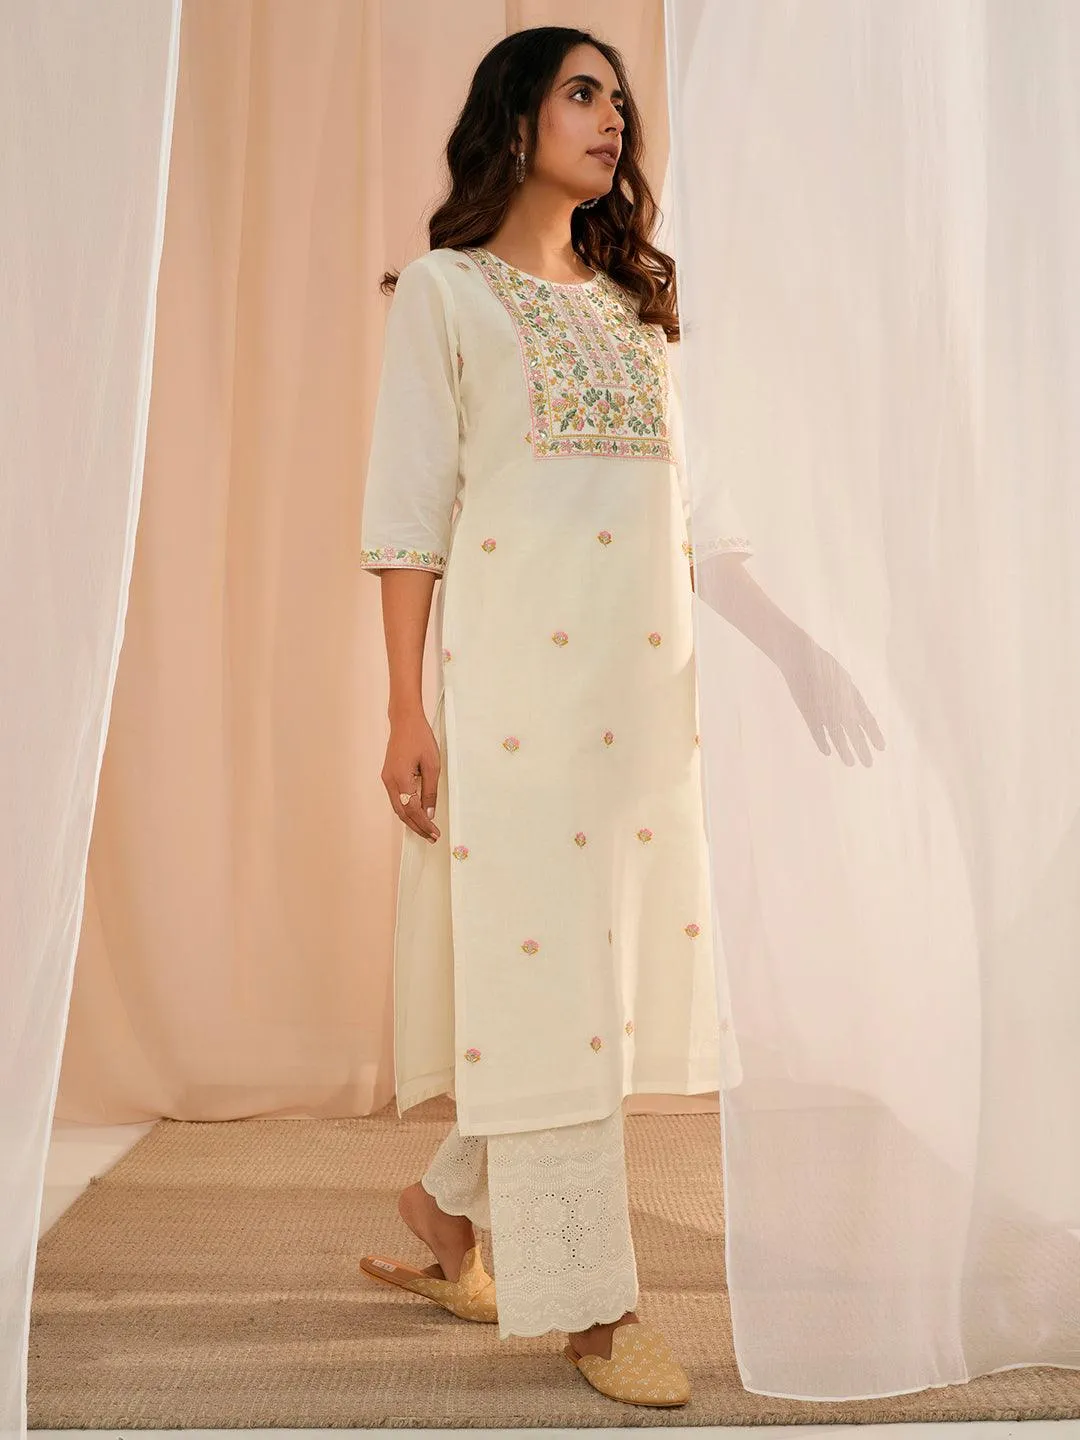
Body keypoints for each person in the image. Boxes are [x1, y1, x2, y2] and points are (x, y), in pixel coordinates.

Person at [356, 25, 752, 1408]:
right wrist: (404, 708)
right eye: (583, 93)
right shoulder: (447, 294)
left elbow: (688, 513)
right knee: (549, 983)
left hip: (639, 709)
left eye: (619, 99)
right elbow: (407, 515)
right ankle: (595, 1307)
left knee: (588, 988)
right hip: (517, 702)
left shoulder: (639, 307)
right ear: (514, 118)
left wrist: (791, 649)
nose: (612, 117)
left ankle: (448, 1212)